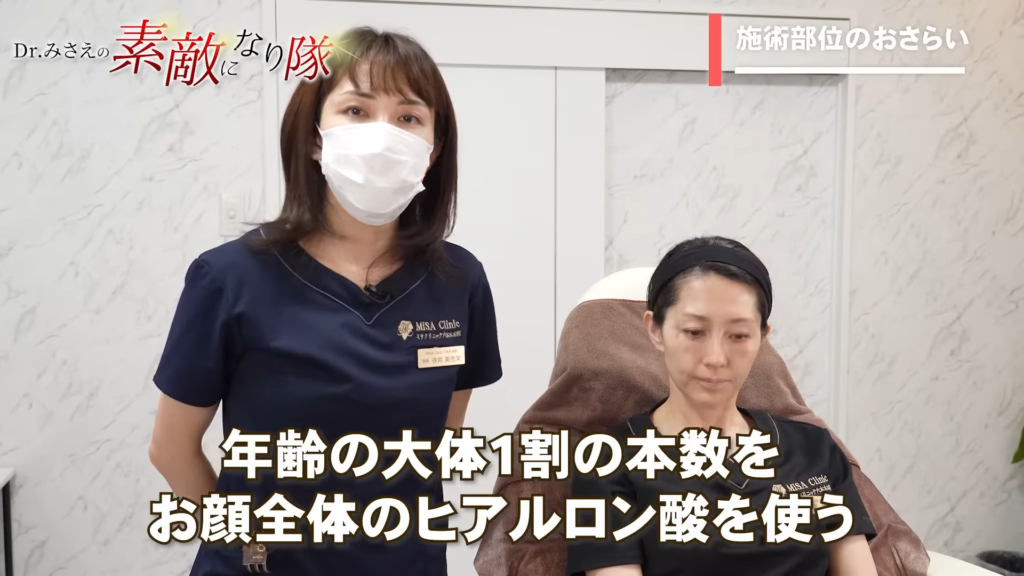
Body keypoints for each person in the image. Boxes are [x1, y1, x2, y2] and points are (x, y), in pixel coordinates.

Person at [147, 26, 503, 576]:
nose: (383, 135)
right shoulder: (229, 277)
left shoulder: (459, 280)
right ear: (315, 139)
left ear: (432, 153)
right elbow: (171, 449)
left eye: (409, 117)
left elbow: (438, 442)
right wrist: (244, 544)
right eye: (356, 111)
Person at [565, 236, 877, 576]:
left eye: (739, 335)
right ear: (655, 330)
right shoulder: (607, 463)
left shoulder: (814, 449)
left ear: (762, 337)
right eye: (694, 332)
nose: (716, 358)